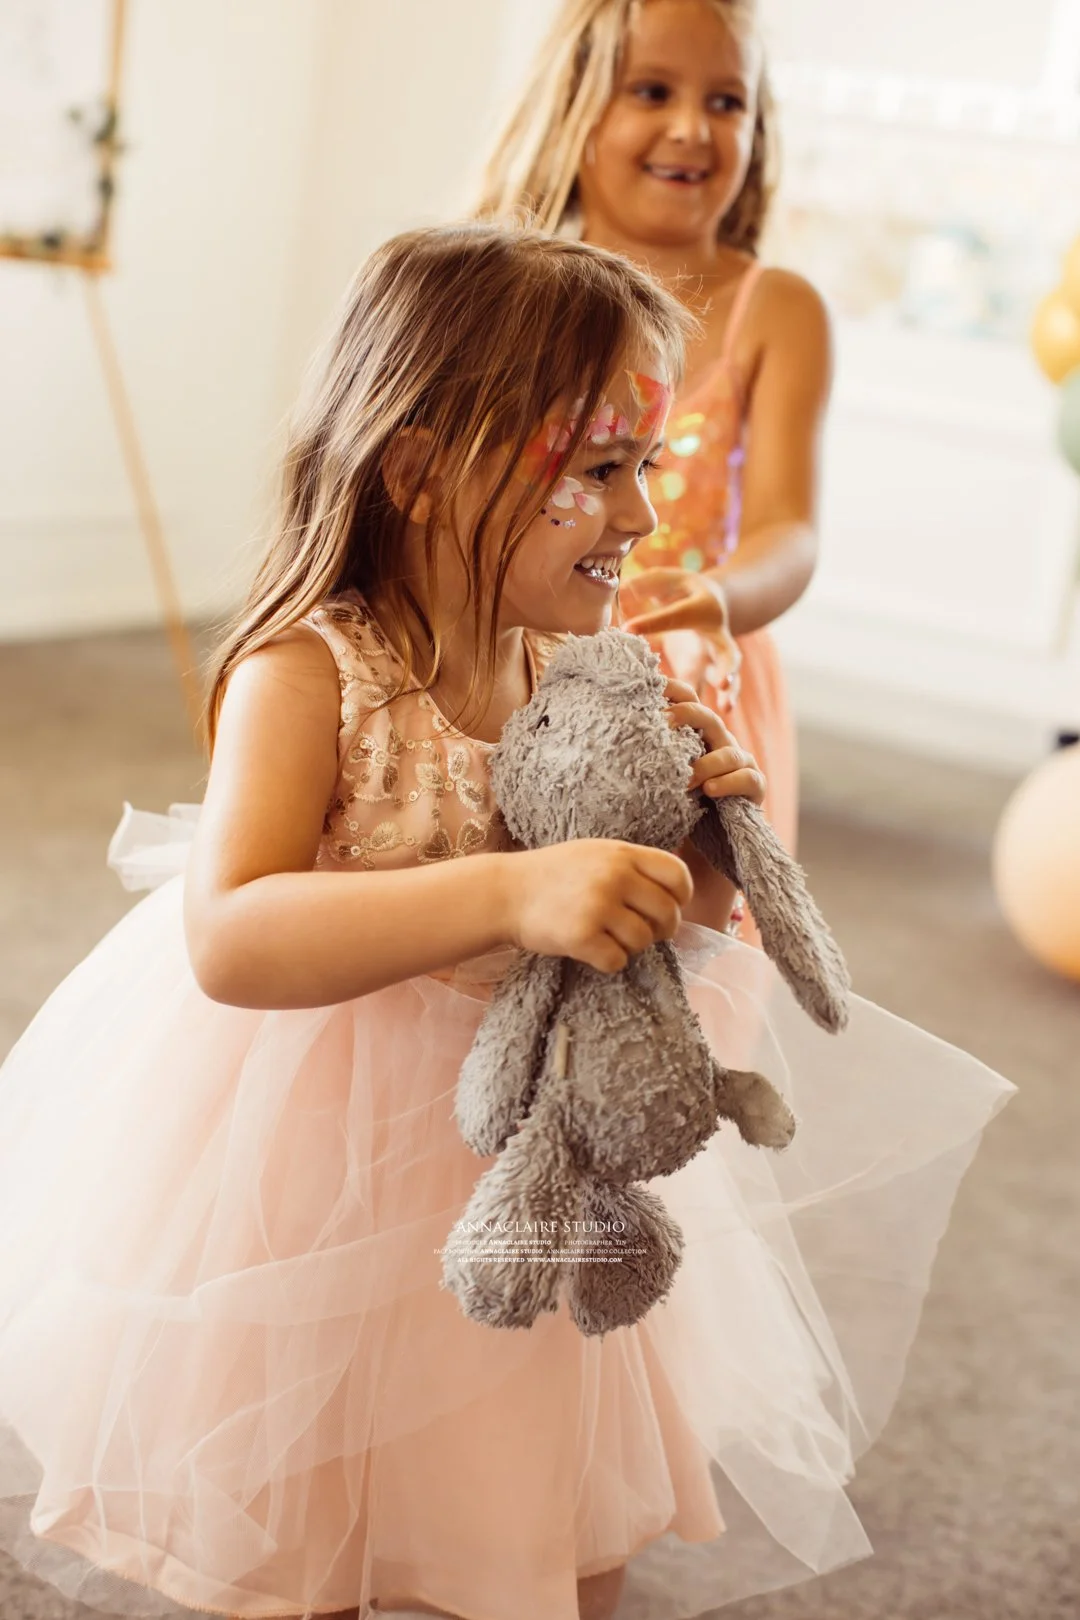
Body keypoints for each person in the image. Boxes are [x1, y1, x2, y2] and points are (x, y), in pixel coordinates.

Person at [0, 224, 1012, 1620]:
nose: (644, 519)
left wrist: (699, 853)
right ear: (420, 472)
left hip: (530, 1174)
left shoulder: (582, 669)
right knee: (320, 1532)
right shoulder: (309, 672)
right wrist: (508, 890)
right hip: (318, 1179)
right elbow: (230, 934)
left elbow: (639, 938)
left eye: (645, 469)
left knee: (538, 1527)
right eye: (599, 472)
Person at [478, 0, 830, 937]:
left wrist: (718, 598)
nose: (691, 126)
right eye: (652, 91)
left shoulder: (778, 309)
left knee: (668, 932)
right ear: (577, 106)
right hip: (518, 641)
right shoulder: (501, 286)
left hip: (687, 670)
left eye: (727, 100)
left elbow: (789, 529)